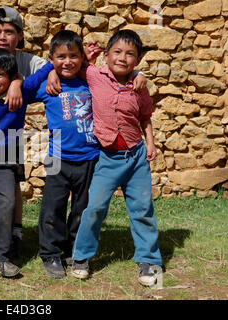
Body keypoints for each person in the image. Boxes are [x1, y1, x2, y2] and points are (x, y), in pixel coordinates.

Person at [70, 29, 163, 287]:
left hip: (136, 157)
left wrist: (151, 143)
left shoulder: (140, 86)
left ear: (138, 59)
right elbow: (71, 66)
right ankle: (82, 257)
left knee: (142, 209)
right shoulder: (94, 75)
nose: (123, 58)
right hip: (108, 158)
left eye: (130, 54)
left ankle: (148, 260)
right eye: (117, 52)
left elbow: (145, 117)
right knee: (95, 208)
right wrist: (85, 57)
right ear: (107, 54)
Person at [0, 48, 54, 278]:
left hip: (4, 162)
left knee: (4, 206)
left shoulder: (21, 91)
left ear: (11, 76)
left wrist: (19, 80)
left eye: (1, 75)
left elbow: (42, 72)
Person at [30, 30, 101, 279]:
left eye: (73, 56)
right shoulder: (48, 85)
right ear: (51, 58)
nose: (67, 61)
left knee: (83, 209)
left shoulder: (90, 82)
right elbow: (23, 90)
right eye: (60, 57)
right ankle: (50, 254)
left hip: (90, 157)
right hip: (57, 157)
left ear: (82, 57)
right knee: (53, 208)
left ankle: (76, 252)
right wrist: (48, 71)